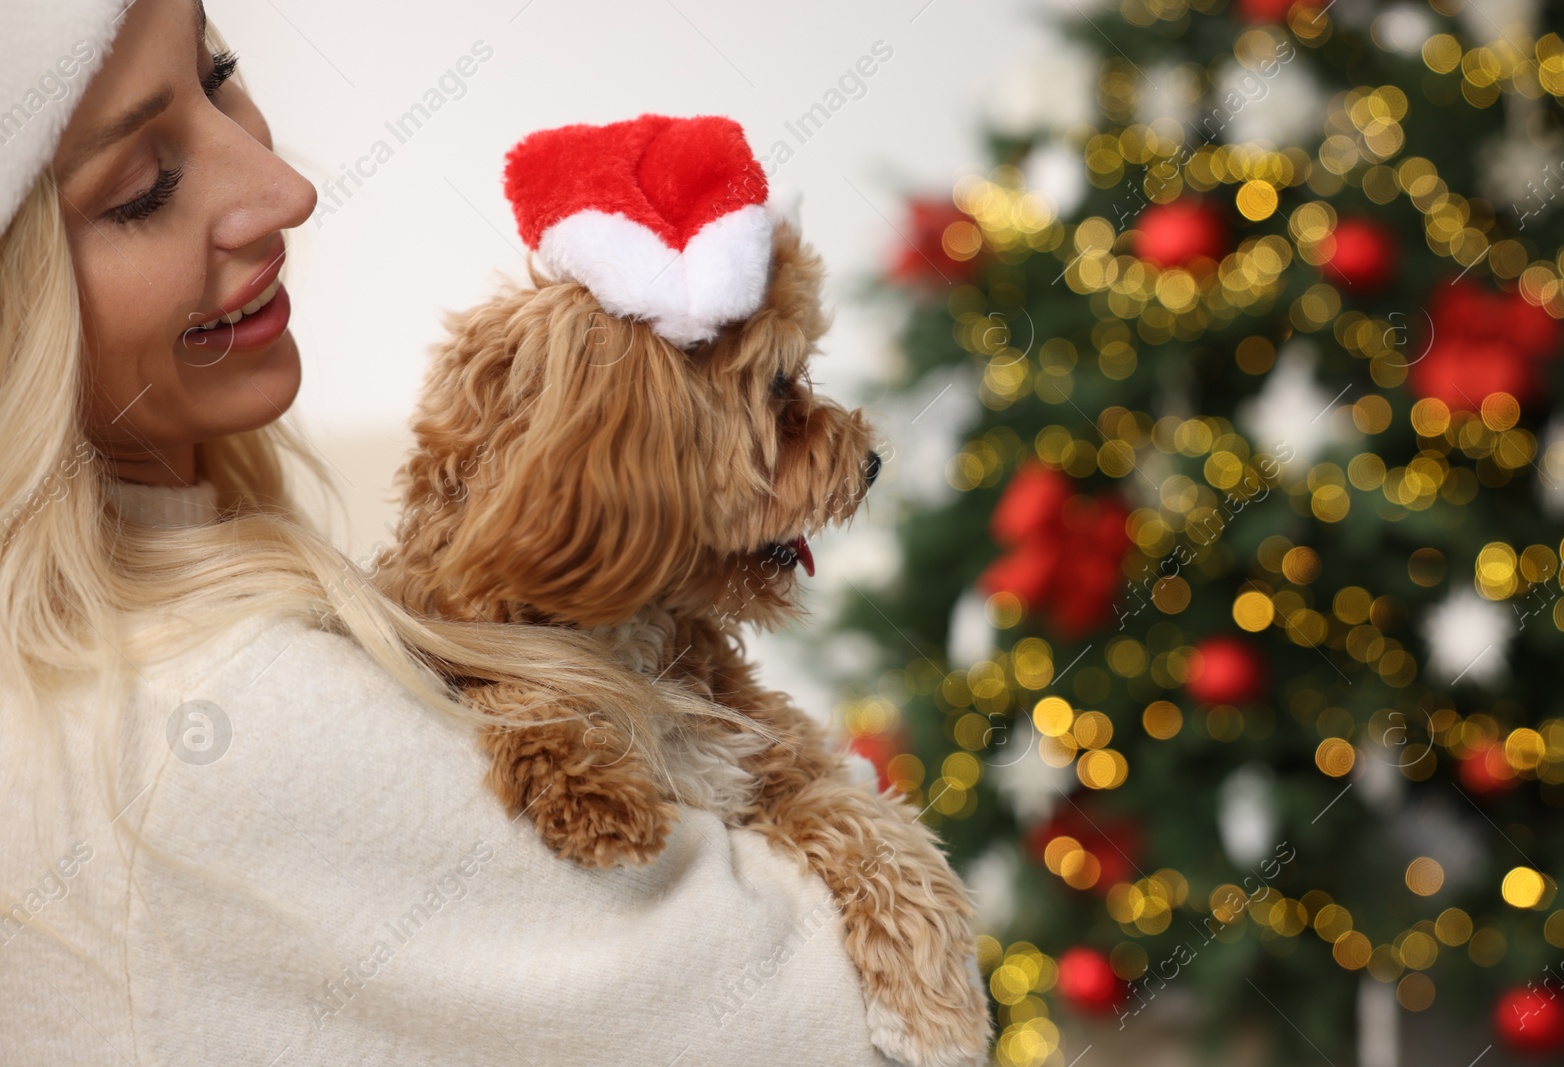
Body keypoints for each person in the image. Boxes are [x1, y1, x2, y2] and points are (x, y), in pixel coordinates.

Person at [0, 1, 902, 1063]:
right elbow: (872, 1027)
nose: (285, 188)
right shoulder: (216, 724)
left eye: (221, 71)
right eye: (144, 187)